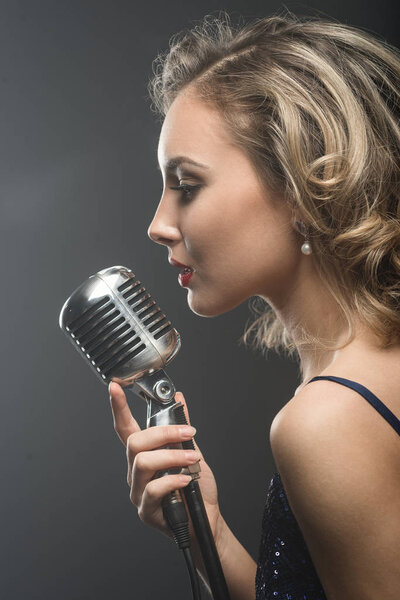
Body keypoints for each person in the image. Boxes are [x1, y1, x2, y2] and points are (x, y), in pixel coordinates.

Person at [109, 10, 400, 599]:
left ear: (300, 183)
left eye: (186, 185)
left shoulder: (328, 423)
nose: (158, 225)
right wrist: (208, 533)